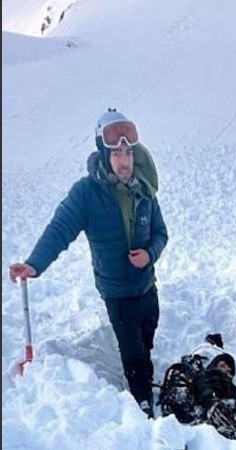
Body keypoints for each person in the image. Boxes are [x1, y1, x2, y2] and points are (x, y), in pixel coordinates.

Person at [7, 108, 168, 418]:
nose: (124, 160)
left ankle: (144, 375)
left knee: (147, 334)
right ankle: (142, 401)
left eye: (128, 153)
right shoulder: (86, 193)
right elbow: (60, 229)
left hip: (147, 283)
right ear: (104, 154)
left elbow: (161, 233)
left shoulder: (144, 190)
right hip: (116, 290)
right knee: (131, 347)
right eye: (117, 153)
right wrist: (34, 264)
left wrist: (150, 254)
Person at [158, 333, 236, 440]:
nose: (224, 370)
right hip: (193, 419)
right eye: (222, 365)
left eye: (228, 370)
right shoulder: (202, 374)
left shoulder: (231, 389)